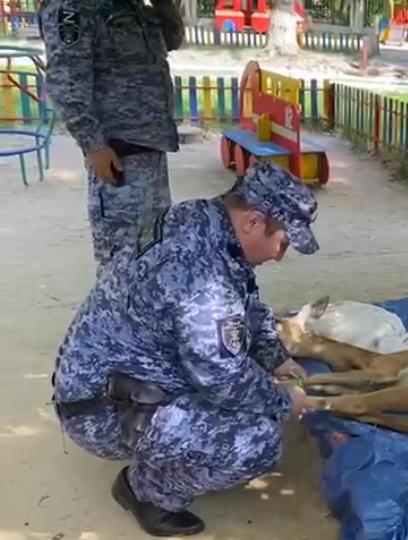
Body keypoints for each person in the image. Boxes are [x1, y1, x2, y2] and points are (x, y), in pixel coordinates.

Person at [51, 161, 317, 536]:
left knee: (252, 388)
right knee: (259, 441)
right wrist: (283, 401)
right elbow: (223, 378)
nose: (279, 254)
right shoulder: (199, 269)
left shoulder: (205, 221)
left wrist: (276, 358)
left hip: (120, 379)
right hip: (104, 411)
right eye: (283, 241)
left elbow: (246, 300)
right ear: (253, 221)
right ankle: (146, 491)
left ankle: (164, 450)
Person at [39, 0, 183, 274]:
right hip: (118, 155)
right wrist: (93, 145)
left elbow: (172, 40)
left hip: (151, 148)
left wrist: (164, 4)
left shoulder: (131, 5)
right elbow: (66, 80)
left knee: (153, 253)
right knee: (122, 262)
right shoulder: (74, 6)